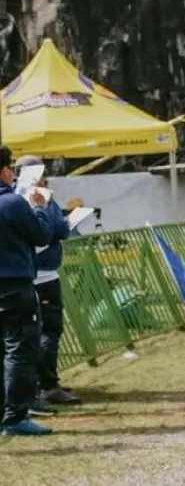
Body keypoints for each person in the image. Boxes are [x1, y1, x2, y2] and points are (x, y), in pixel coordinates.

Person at [14, 155, 81, 409]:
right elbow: (57, 229)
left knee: (37, 334)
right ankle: (45, 386)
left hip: (34, 273)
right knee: (47, 332)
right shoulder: (36, 196)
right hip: (40, 276)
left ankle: (43, 384)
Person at [0, 145, 53, 435]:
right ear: (6, 171)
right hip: (14, 286)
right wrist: (40, 210)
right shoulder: (12, 203)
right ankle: (15, 417)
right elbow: (41, 235)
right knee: (20, 351)